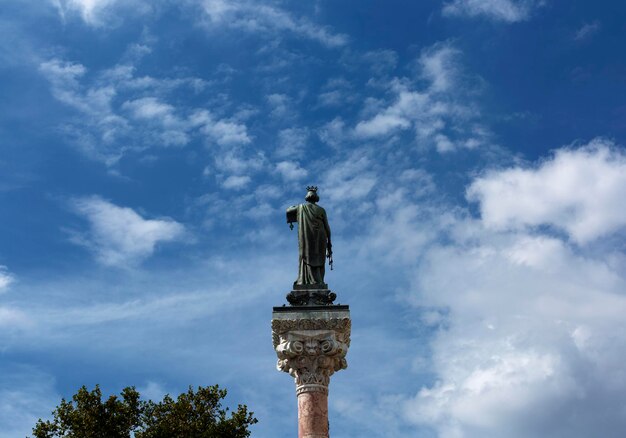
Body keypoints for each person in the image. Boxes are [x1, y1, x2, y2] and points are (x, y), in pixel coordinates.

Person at [286, 186, 332, 288]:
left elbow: (288, 210)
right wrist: (329, 242)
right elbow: (327, 227)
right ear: (316, 198)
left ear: (307, 197)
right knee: (319, 258)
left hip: (307, 238)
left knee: (306, 256)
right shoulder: (321, 210)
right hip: (321, 237)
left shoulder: (301, 207)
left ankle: (305, 280)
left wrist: (297, 207)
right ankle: (319, 281)